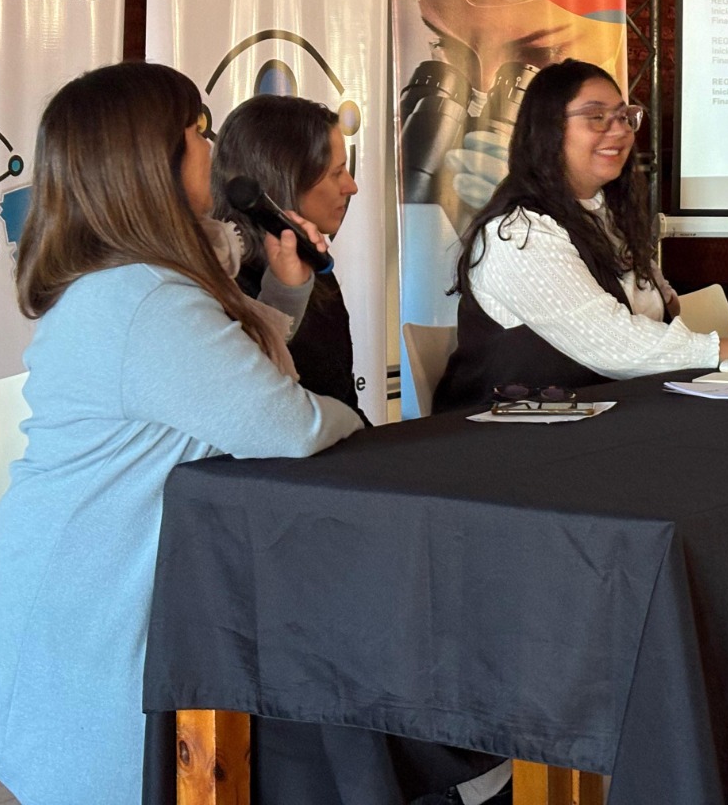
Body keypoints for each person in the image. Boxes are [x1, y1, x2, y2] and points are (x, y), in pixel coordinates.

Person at [0, 62, 364, 805]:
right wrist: (351, 420)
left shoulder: (139, 283)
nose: (213, 150)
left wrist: (285, 288)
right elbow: (288, 423)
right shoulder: (142, 299)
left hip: (116, 587)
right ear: (152, 159)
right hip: (97, 619)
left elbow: (234, 377)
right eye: (200, 134)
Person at [211, 94, 510, 805]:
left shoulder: (303, 266)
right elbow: (276, 419)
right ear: (279, 185)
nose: (351, 186)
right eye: (335, 172)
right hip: (279, 520)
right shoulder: (231, 286)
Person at [435, 59, 728, 412]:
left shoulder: (604, 215)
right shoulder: (518, 233)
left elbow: (660, 310)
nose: (620, 130)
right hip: (506, 434)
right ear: (548, 130)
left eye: (624, 117)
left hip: (601, 416)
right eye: (597, 117)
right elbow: (616, 346)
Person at [212, 93, 366, 422]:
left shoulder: (311, 263)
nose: (351, 187)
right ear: (287, 179)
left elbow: (342, 399)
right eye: (337, 173)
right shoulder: (222, 286)